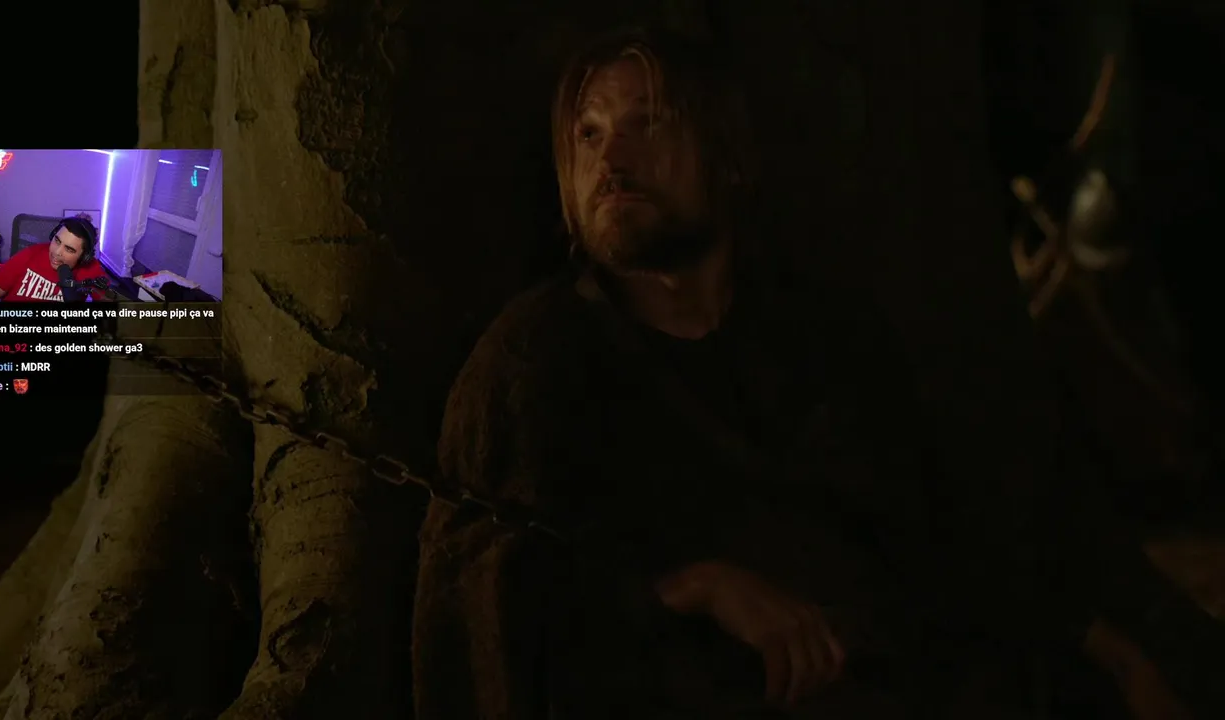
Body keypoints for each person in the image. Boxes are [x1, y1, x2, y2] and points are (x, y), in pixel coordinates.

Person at [411, 26, 1196, 719]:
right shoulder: (536, 358)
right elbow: (486, 600)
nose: (611, 160)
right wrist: (690, 587)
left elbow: (937, 545)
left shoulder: (821, 340)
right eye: (588, 134)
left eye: (648, 123)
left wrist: (1109, 654)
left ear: (725, 156)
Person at [0, 215, 109, 302]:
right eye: (57, 241)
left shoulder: (90, 269)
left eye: (69, 249)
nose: (57, 252)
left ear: (84, 257)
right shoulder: (30, 254)